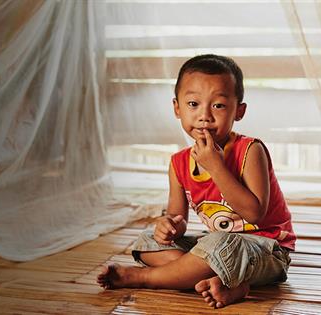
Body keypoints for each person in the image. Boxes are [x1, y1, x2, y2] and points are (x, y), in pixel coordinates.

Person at [97, 54, 296, 309]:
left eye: (219, 106)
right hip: (216, 246)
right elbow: (177, 219)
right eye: (193, 104)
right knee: (149, 240)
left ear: (239, 111)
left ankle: (145, 277)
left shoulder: (249, 150)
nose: (204, 116)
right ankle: (220, 281)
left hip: (266, 248)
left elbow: (254, 213)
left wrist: (216, 166)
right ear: (177, 108)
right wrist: (169, 226)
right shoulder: (179, 162)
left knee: (220, 245)